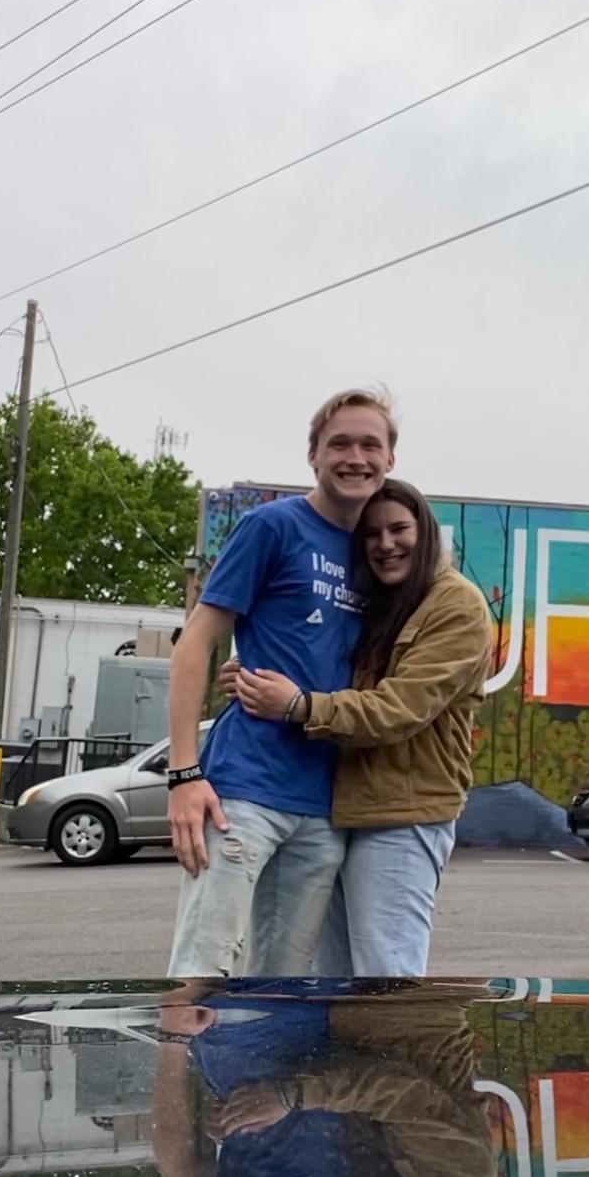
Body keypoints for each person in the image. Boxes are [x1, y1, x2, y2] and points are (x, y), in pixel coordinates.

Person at [164, 390, 396, 978]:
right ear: (313, 454)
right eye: (339, 442)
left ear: (390, 460)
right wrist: (184, 774)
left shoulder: (379, 555)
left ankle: (256, 1077)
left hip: (325, 807)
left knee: (280, 987)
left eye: (371, 444)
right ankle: (174, 1075)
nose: (355, 457)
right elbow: (196, 641)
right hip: (244, 792)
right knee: (201, 972)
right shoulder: (272, 526)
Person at [227, 479, 493, 978]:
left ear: (427, 531)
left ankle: (397, 1059)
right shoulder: (380, 602)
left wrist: (299, 706)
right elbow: (329, 670)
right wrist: (251, 675)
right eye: (371, 533)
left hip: (403, 815)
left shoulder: (457, 605)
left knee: (385, 979)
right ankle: (348, 1061)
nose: (385, 543)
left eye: (399, 529)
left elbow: (400, 708)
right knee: (335, 982)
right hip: (342, 808)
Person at [151, 979, 496, 1177]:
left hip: (317, 1007)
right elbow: (401, 1093)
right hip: (422, 992)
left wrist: (229, 1123)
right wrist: (290, 1097)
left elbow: (186, 1173)